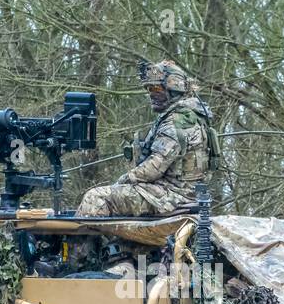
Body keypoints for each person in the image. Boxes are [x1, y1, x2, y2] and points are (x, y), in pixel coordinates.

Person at [77, 59, 214, 216]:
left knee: (95, 197)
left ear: (174, 89)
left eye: (156, 89)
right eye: (149, 89)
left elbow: (154, 168)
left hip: (172, 196)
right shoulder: (190, 115)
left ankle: (82, 241)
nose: (151, 94)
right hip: (181, 193)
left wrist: (125, 179)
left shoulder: (177, 120)